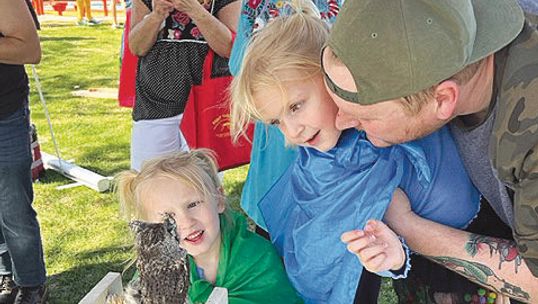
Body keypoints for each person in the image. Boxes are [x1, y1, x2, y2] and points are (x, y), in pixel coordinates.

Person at [229, 2, 483, 302]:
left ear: (330, 75)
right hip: (430, 270)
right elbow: (324, 256)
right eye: (276, 122)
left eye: (296, 106)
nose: (291, 132)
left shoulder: (391, 101)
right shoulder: (321, 165)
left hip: (486, 234)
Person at [321, 0, 538, 302]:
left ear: (443, 99)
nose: (339, 121)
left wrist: (407, 226)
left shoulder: (532, 132)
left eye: (365, 116)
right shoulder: (446, 29)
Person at [116, 149, 302, 303]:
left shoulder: (256, 256)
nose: (186, 222)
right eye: (167, 216)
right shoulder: (161, 261)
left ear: (219, 200)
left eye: (193, 204)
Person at [128, 0, 240, 171]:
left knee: (203, 186)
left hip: (206, 106)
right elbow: (136, 47)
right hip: (155, 105)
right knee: (149, 181)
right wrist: (156, 15)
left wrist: (194, 9)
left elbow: (230, 48)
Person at [0, 0, 47, 303]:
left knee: (13, 205)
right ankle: (6, 273)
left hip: (4, 113)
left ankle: (31, 283)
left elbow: (30, 50)